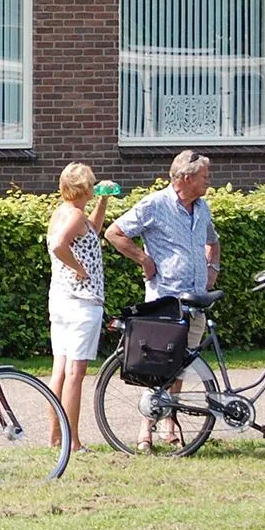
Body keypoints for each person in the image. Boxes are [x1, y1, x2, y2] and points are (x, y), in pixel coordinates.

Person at [105, 149, 220, 452]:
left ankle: (170, 420)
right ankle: (145, 428)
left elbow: (213, 242)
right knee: (158, 364)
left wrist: (212, 271)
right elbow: (114, 233)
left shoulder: (202, 207)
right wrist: (144, 260)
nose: (209, 180)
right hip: (165, 299)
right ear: (186, 178)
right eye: (205, 176)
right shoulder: (155, 204)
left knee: (181, 364)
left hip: (195, 301)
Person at [46, 163, 113, 453]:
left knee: (59, 370)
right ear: (84, 188)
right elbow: (61, 246)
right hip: (81, 303)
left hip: (61, 300)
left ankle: (55, 437)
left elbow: (92, 231)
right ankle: (73, 441)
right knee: (76, 372)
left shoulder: (64, 213)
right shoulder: (74, 215)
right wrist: (80, 270)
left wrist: (104, 200)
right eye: (93, 186)